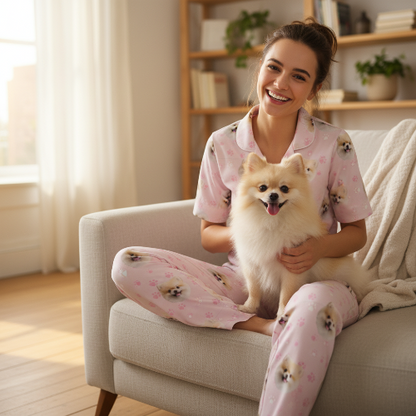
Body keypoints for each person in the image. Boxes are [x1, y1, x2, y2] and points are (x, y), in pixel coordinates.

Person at [112, 18, 372, 416]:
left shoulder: (333, 144)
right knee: (127, 263)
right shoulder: (222, 143)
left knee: (307, 308)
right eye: (274, 67)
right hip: (244, 274)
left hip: (316, 277)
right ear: (261, 68)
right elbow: (208, 234)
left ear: (314, 89)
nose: (281, 83)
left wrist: (317, 246)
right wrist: (252, 238)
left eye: (299, 76)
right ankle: (259, 326)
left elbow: (357, 233)